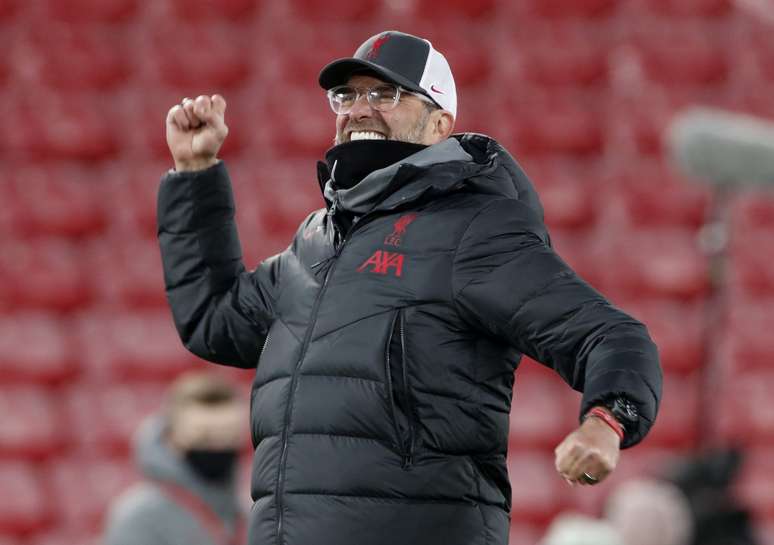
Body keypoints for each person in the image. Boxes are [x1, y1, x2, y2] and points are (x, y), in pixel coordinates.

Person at [157, 30, 663, 545]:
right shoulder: (315, 240)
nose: (359, 110)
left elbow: (611, 336)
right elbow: (214, 319)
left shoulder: (473, 228)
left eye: (386, 95)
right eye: (347, 96)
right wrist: (195, 174)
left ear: (440, 124)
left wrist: (607, 420)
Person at [103, 372, 246, 545]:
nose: (218, 445)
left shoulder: (245, 512)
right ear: (172, 437)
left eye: (228, 435)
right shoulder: (139, 518)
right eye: (204, 436)